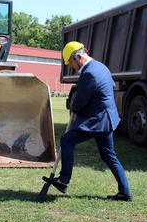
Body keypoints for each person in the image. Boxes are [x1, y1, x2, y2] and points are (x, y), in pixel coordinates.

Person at [45, 41, 132, 201]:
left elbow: (79, 103)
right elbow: (106, 88)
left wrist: (74, 104)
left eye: (71, 62)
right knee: (108, 155)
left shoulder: (89, 73)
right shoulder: (101, 67)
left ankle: (64, 180)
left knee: (67, 140)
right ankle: (125, 192)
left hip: (99, 119)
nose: (72, 67)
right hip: (107, 118)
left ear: (78, 56)